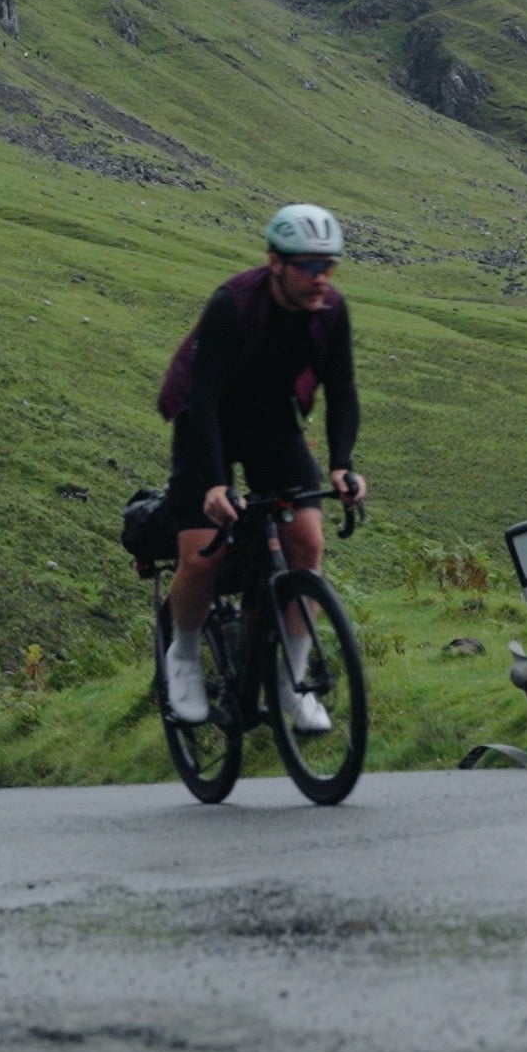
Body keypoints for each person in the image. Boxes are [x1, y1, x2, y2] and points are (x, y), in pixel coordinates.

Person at [159, 203, 367, 730]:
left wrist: (342, 466)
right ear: (276, 262)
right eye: (309, 266)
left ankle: (289, 685)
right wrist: (212, 482)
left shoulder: (332, 311)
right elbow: (202, 397)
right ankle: (182, 656)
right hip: (206, 418)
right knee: (204, 553)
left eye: (330, 266)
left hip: (271, 419)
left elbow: (342, 390)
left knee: (307, 544)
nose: (322, 278)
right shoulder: (233, 303)